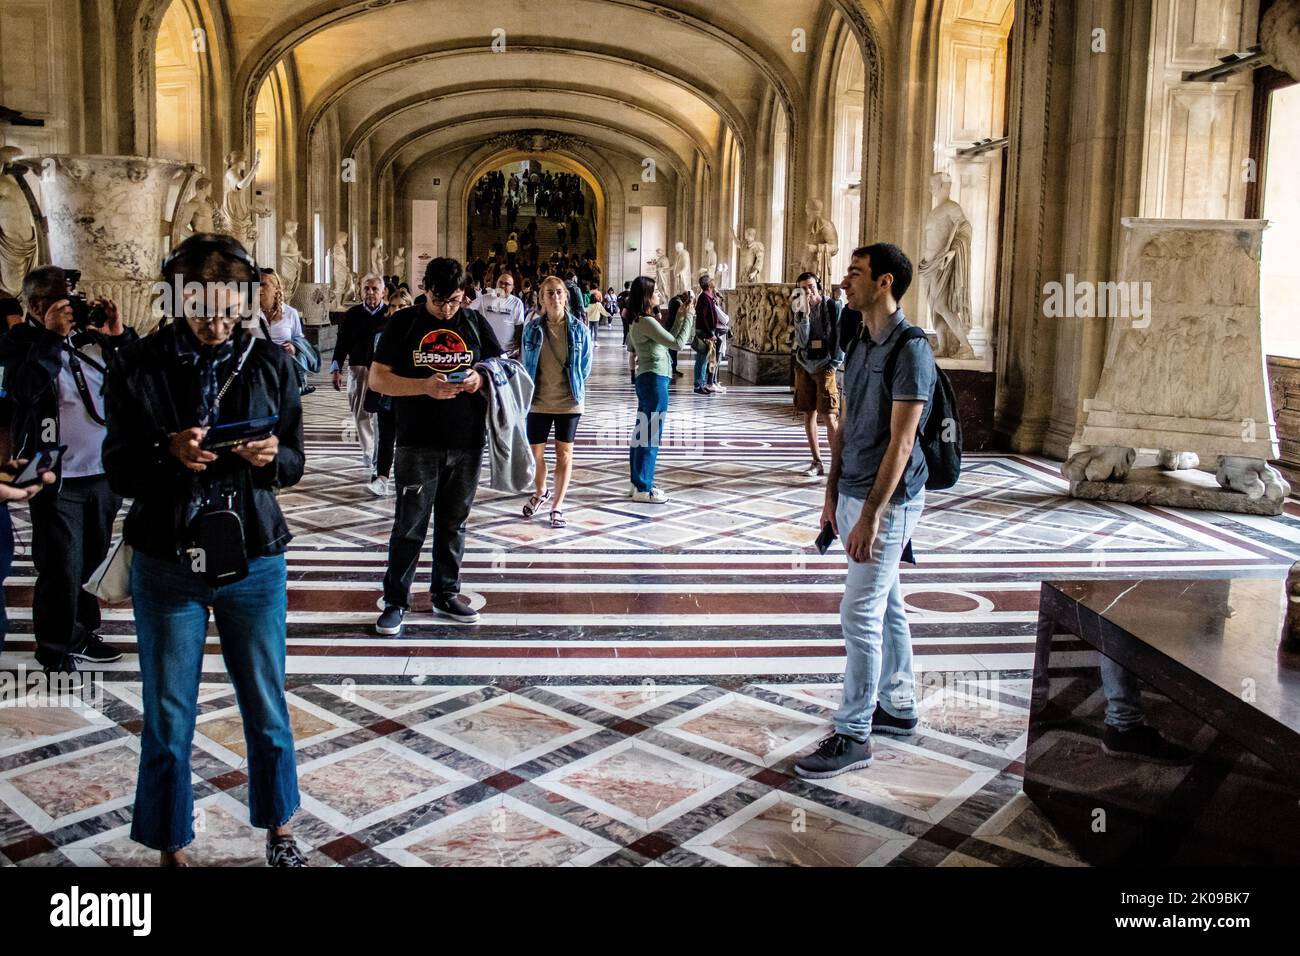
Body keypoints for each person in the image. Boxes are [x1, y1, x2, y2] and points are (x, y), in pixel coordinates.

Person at [103, 233, 306, 865]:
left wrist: (272, 459)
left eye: (227, 305)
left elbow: (297, 460)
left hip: (253, 554)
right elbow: (116, 468)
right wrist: (167, 454)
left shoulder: (272, 363)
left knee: (266, 703)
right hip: (166, 558)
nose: (215, 321)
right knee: (167, 713)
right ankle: (169, 844)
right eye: (200, 306)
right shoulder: (138, 365)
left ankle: (279, 827)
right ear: (175, 298)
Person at [794, 243, 936, 780]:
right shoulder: (858, 340)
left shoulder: (911, 350)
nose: (844, 281)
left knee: (859, 612)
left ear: (884, 284)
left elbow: (901, 444)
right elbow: (846, 428)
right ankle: (898, 706)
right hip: (854, 488)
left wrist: (872, 515)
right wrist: (832, 493)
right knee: (888, 602)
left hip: (891, 498)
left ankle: (854, 733)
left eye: (855, 273)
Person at [0, 267, 136, 677]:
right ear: (37, 305)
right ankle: (55, 646)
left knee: (91, 560)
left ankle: (82, 632)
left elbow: (135, 378)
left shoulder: (91, 338)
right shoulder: (20, 343)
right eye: (62, 301)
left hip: (103, 468)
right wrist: (52, 337)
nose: (73, 309)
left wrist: (119, 336)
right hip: (54, 474)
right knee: (61, 562)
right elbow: (24, 391)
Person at [369, 257, 503, 636]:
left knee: (454, 524)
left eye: (455, 301)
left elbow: (501, 366)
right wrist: (423, 386)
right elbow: (378, 380)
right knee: (409, 525)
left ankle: (446, 593)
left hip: (467, 442)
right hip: (417, 443)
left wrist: (480, 377)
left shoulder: (474, 322)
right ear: (424, 288)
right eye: (440, 301)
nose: (447, 310)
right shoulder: (404, 323)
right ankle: (396, 600)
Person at [520, 276, 593, 529]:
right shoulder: (531, 329)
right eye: (549, 293)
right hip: (538, 399)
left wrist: (573, 387)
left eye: (559, 292)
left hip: (568, 401)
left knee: (564, 453)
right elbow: (525, 363)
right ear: (541, 298)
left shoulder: (578, 329)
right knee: (535, 454)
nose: (554, 297)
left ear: (566, 296)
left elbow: (585, 366)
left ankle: (557, 505)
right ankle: (541, 491)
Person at [626, 277, 692, 503]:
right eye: (655, 292)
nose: (659, 295)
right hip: (655, 381)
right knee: (650, 435)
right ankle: (644, 487)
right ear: (646, 296)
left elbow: (667, 337)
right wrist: (690, 317)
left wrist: (682, 314)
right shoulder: (646, 322)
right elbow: (677, 343)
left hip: (647, 379)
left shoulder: (641, 321)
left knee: (642, 433)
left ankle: (638, 482)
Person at [331, 274, 387, 473]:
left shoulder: (390, 314)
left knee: (382, 413)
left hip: (383, 370)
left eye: (374, 288)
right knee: (360, 411)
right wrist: (336, 368)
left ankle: (381, 450)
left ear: (383, 292)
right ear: (361, 290)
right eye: (366, 288)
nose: (370, 292)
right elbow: (342, 342)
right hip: (358, 368)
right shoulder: (352, 314)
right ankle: (368, 449)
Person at [791, 271, 844, 477]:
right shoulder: (798, 310)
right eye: (803, 288)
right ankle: (817, 462)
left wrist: (835, 363)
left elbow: (839, 337)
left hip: (825, 366)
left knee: (830, 416)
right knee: (808, 414)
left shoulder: (832, 306)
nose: (808, 291)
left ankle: (838, 465)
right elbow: (802, 341)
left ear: (818, 286)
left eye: (811, 286)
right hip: (805, 366)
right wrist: (804, 315)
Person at [253, 270, 312, 395]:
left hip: (284, 371)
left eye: (263, 284)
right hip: (257, 372)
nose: (258, 288)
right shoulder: (248, 313)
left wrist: (293, 347)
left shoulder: (290, 313)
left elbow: (299, 339)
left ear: (276, 288)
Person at [471, 271, 526, 358]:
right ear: (496, 283)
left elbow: (519, 327)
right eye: (500, 282)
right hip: (486, 351)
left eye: (507, 284)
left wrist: (518, 347)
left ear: (512, 287)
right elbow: (468, 309)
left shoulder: (517, 303)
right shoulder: (484, 299)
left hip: (508, 353)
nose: (503, 286)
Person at [583, 285, 608, 349]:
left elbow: (586, 311)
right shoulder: (598, 304)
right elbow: (603, 311)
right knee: (596, 331)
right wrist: (608, 315)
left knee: (590, 330)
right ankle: (595, 342)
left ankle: (590, 342)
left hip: (590, 319)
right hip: (596, 319)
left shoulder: (589, 305)